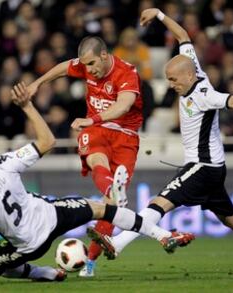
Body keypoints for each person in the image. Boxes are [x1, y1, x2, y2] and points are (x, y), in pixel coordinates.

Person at [0, 82, 194, 288]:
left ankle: (43, 273)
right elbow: (48, 141)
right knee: (100, 209)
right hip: (52, 214)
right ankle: (161, 235)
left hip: (29, 244)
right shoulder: (4, 162)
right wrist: (27, 106)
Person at [94, 8, 233, 274]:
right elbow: (183, 35)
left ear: (188, 76)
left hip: (202, 166)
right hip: (212, 169)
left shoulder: (204, 94)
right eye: (168, 80)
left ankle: (118, 243)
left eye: (174, 80)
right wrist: (160, 14)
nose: (171, 85)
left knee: (159, 202)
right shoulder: (191, 66)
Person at [26, 36, 144, 277]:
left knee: (111, 209)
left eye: (91, 64)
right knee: (96, 161)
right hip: (97, 131)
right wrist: (37, 83)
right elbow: (62, 68)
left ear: (104, 55)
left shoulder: (127, 73)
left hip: (125, 135)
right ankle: (113, 190)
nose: (88, 70)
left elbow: (123, 106)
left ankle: (90, 261)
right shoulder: (86, 64)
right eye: (84, 65)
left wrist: (91, 119)